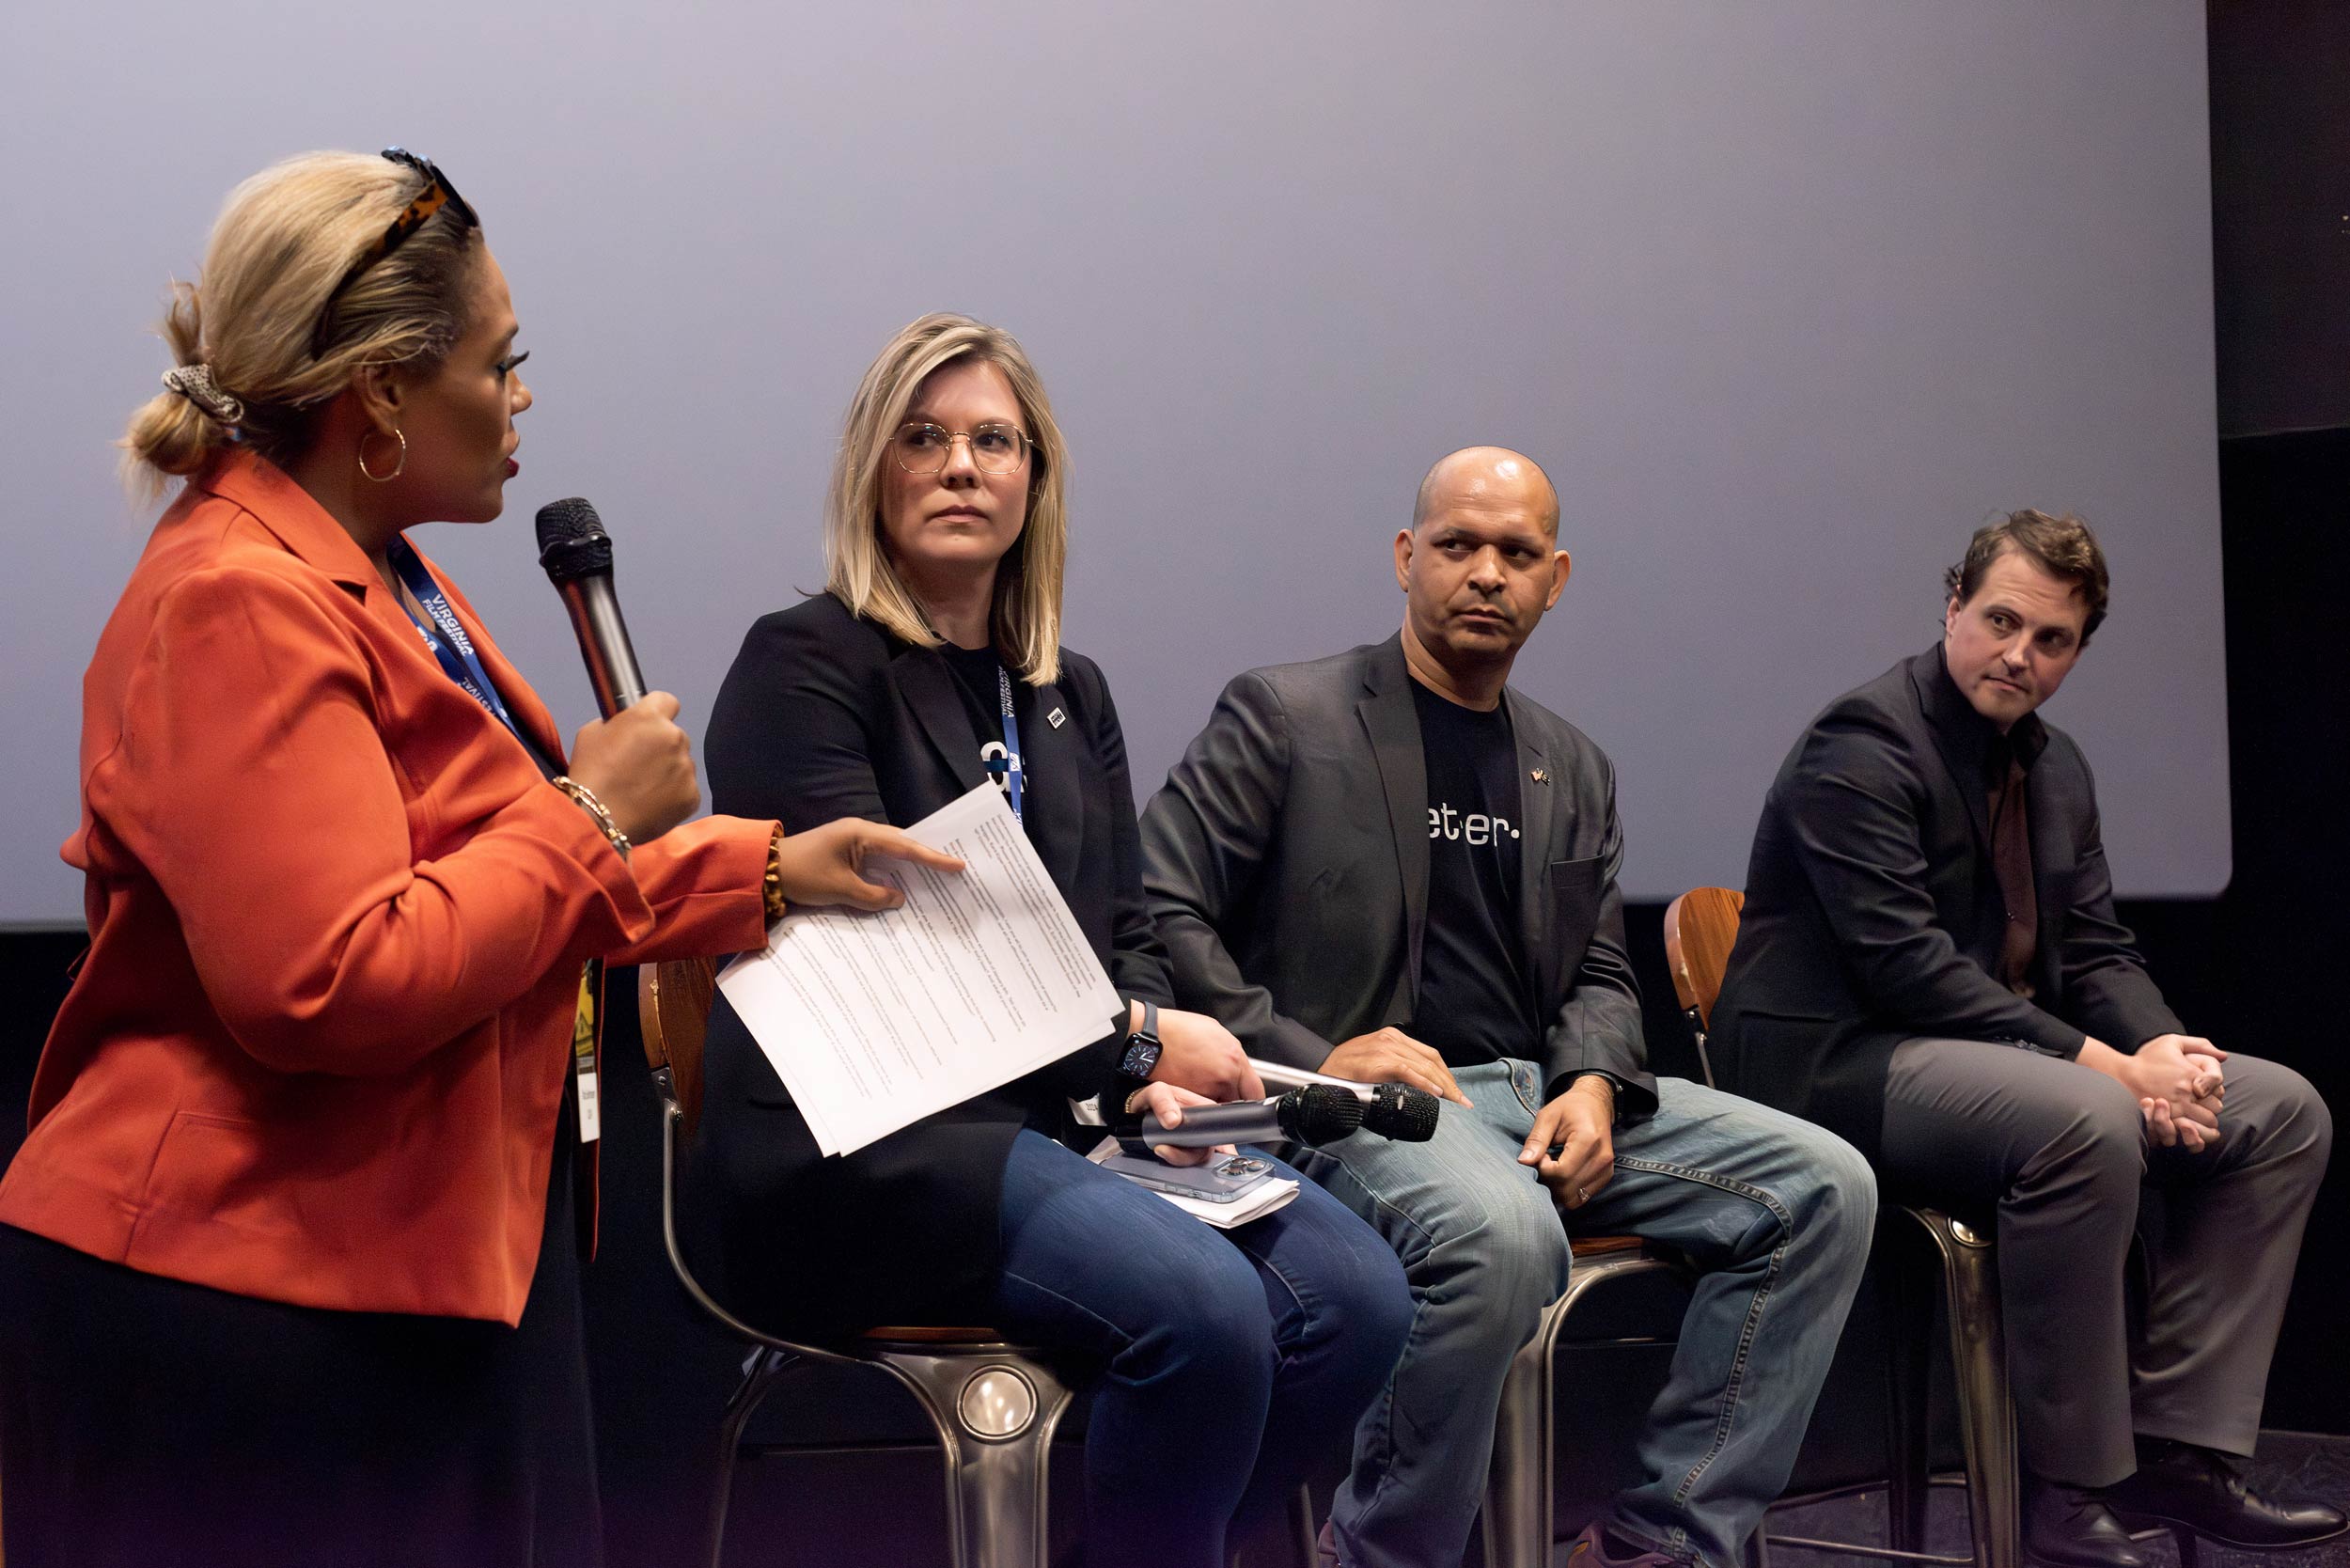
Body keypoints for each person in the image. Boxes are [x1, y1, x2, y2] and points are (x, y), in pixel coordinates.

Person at [0, 149, 944, 1568]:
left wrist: (761, 873)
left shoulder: (381, 567)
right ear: (379, 389)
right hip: (243, 1302)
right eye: (502, 362)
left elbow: (480, 871)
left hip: (405, 1270)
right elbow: (332, 977)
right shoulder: (237, 600)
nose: (521, 399)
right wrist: (593, 814)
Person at [690, 312, 1413, 1567]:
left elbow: (1124, 932)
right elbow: (886, 949)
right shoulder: (803, 662)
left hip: (1059, 1120)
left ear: (1035, 482)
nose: (962, 465)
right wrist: (1134, 1052)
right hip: (867, 1148)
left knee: (1360, 1298)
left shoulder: (1067, 693)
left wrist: (1157, 1083)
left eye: (993, 441)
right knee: (1206, 1311)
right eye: (925, 437)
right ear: (876, 468)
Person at [1140, 447, 1877, 1568]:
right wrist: (1317, 1053)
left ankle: (1661, 1544)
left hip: (1527, 1099)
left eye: (1516, 553)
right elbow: (1159, 911)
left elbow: (1597, 971)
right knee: (1498, 1236)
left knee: (1825, 1188)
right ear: (1405, 558)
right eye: (1457, 546)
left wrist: (1592, 1082)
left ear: (1556, 576)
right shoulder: (1286, 715)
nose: (1485, 573)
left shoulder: (1571, 765)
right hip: (1339, 1106)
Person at [1712, 510, 2340, 1568]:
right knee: (2085, 1118)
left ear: (2076, 649)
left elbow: (2095, 950)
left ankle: (2181, 1451)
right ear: (1952, 603)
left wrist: (2173, 1060)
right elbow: (1906, 969)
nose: (2019, 654)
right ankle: (2067, 1492)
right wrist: (2112, 1069)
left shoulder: (2056, 770)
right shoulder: (1858, 746)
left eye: (2051, 640)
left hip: (1989, 1064)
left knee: (2277, 1110)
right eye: (2000, 621)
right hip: (1834, 1062)